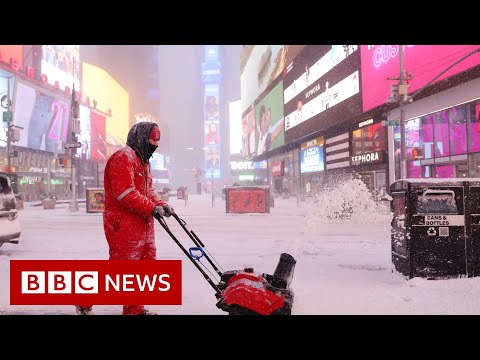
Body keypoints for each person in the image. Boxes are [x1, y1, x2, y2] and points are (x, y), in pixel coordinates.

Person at [75, 121, 175, 316]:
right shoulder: (123, 158)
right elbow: (125, 193)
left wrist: (161, 204)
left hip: (143, 223)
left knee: (144, 268)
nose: (155, 145)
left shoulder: (143, 161)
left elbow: (148, 192)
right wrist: (151, 207)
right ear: (141, 138)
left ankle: (134, 309)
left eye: (157, 142)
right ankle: (83, 298)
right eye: (152, 140)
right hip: (124, 224)